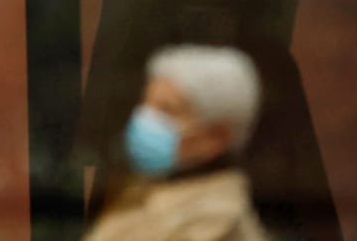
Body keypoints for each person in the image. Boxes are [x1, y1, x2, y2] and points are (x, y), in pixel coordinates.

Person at [87, 46, 270, 241]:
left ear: (216, 138)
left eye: (167, 110)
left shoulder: (216, 222)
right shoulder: (147, 193)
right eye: (146, 103)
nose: (145, 118)